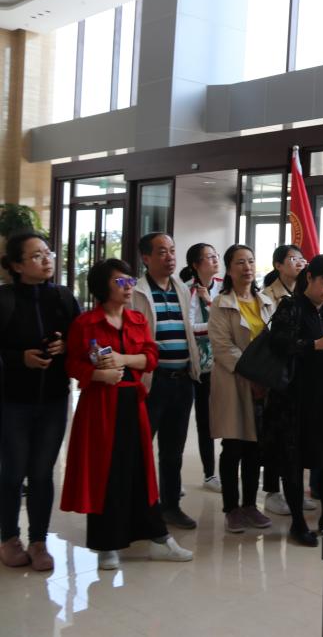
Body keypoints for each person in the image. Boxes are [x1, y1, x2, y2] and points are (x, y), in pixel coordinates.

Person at [61, 259, 193, 570]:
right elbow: (72, 364)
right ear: (103, 286)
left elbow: (150, 356)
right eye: (120, 282)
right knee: (105, 471)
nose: (128, 287)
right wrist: (97, 375)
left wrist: (123, 359)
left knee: (140, 469)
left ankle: (158, 538)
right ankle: (106, 544)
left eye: (130, 281)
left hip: (133, 400)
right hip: (99, 405)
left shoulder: (136, 319)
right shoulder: (86, 323)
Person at [0, 232, 80, 571]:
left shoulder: (63, 297)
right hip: (12, 401)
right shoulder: (4, 299)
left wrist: (67, 346)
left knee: (42, 473)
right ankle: (8, 538)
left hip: (54, 399)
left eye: (48, 253)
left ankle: (38, 541)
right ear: (17, 265)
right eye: (36, 256)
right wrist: (20, 358)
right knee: (12, 472)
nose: (47, 260)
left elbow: (82, 339)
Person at [263, 255, 323, 546]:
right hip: (295, 398)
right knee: (294, 460)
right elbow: (278, 345)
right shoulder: (291, 306)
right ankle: (298, 522)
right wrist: (314, 345)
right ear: (309, 277)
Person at [130, 232, 201, 530]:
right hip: (152, 382)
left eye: (172, 250)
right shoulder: (135, 292)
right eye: (162, 252)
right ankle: (138, 510)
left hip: (182, 381)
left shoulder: (182, 289)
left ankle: (170, 506)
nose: (170, 256)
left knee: (173, 451)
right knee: (140, 449)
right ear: (146, 258)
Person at [208, 244, 276, 534]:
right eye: (240, 262)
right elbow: (223, 347)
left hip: (264, 385)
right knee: (233, 446)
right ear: (229, 269)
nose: (247, 267)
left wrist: (266, 377)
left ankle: (250, 505)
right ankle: (231, 509)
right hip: (234, 383)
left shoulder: (266, 302)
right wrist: (253, 375)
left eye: (250, 261)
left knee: (255, 448)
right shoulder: (221, 303)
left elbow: (275, 344)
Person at [261, 244, 314, 516]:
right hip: (276, 372)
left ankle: (293, 489)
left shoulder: (306, 294)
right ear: (278, 265)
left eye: (302, 259)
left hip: (300, 373)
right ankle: (272, 491)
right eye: (293, 259)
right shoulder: (267, 296)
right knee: (275, 434)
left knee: (295, 437)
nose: (300, 263)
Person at [179, 242, 223, 492]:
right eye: (209, 257)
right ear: (196, 264)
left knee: (209, 421)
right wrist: (214, 326)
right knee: (182, 422)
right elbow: (188, 327)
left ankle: (210, 474)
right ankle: (174, 479)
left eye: (216, 256)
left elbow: (230, 321)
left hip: (218, 365)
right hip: (192, 363)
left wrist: (211, 308)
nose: (215, 260)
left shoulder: (223, 287)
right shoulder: (186, 291)